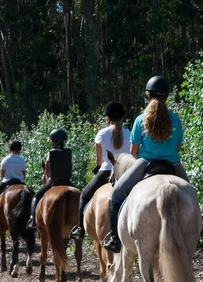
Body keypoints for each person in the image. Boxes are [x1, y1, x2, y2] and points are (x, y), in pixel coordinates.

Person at [102, 76, 189, 253]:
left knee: (115, 195)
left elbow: (133, 152)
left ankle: (115, 240)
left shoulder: (140, 119)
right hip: (173, 164)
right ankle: (193, 234)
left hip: (145, 163)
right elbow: (178, 147)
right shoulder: (176, 119)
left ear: (147, 95)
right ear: (167, 96)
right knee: (192, 196)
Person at [69, 101, 131, 240]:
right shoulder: (130, 134)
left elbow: (99, 160)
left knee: (84, 196)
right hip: (127, 173)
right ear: (123, 117)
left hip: (106, 170)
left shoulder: (101, 134)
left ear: (107, 118)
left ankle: (80, 229)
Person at [26, 128, 73, 230]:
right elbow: (71, 167)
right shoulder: (69, 153)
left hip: (53, 180)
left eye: (52, 140)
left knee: (36, 197)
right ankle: (80, 224)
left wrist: (48, 177)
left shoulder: (50, 154)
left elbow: (47, 172)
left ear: (57, 141)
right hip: (67, 181)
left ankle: (33, 220)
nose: (51, 142)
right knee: (80, 196)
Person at [0, 140, 26, 224]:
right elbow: (23, 174)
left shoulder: (5, 159)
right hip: (20, 182)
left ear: (10, 148)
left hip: (7, 182)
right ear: (19, 149)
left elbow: (2, 174)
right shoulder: (22, 160)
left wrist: (3, 181)